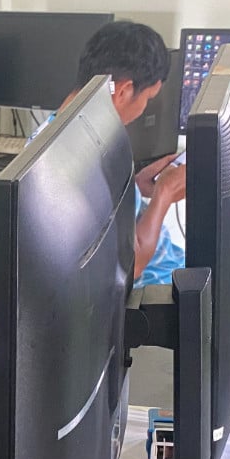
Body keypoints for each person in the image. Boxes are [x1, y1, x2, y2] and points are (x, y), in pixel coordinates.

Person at [47, 21, 181, 285]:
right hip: (152, 289)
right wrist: (165, 193)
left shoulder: (57, 135)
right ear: (123, 91)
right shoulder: (88, 160)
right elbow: (130, 265)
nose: (144, 109)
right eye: (148, 98)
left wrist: (135, 185)